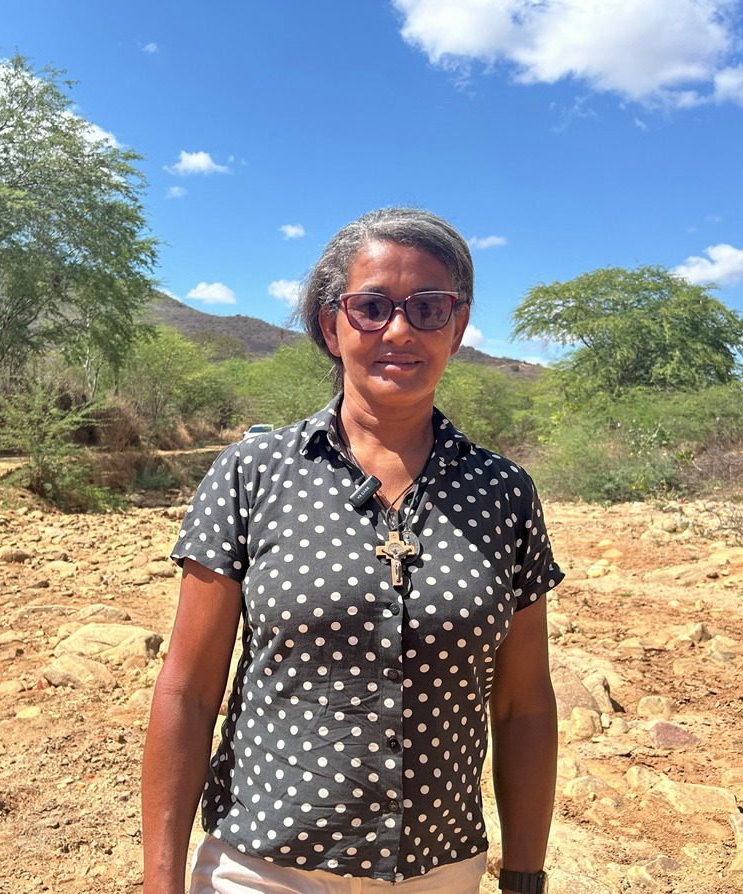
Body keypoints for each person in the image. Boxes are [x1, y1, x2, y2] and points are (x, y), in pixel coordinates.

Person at [142, 208, 562, 894]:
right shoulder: (254, 474)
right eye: (371, 307)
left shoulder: (505, 494)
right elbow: (188, 692)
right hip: (265, 868)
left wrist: (523, 879)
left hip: (441, 868)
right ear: (329, 325)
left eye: (429, 307)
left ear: (457, 328)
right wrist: (159, 883)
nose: (400, 329)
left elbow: (524, 705)